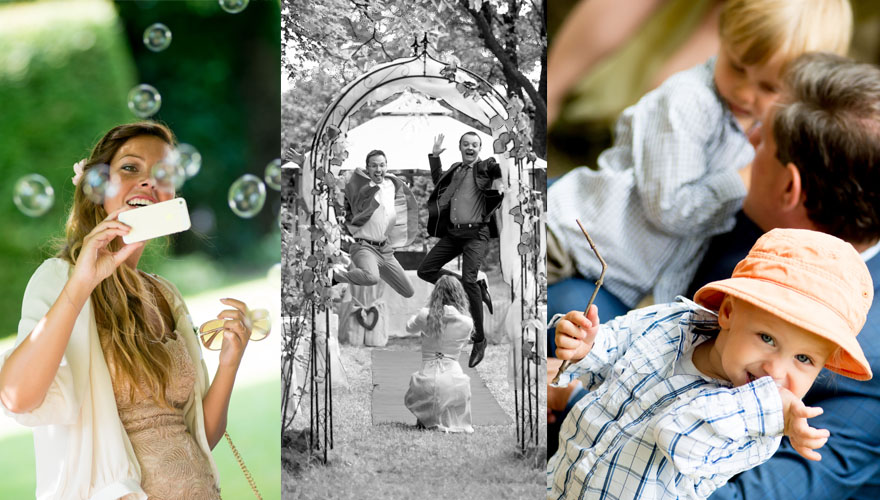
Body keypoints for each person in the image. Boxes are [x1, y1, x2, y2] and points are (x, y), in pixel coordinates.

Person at [546, 0, 853, 325]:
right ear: (724, 37)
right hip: (575, 241)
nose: (745, 93)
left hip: (619, 275)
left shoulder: (762, 124)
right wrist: (743, 179)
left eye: (768, 87)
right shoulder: (686, 102)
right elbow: (670, 210)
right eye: (736, 66)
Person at [0, 122, 256, 499]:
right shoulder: (60, 279)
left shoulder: (166, 295)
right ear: (97, 187)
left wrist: (231, 362)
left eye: (163, 174)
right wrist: (82, 284)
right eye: (130, 168)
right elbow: (16, 398)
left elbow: (201, 436)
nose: (148, 182)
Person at [675, 53, 880, 500]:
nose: (746, 138)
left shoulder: (871, 359)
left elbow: (749, 497)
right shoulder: (747, 222)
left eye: (762, 138)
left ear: (791, 188)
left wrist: (576, 403)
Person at [548, 228, 873, 499]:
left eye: (804, 359)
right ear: (730, 312)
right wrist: (587, 345)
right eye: (767, 339)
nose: (775, 371)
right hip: (561, 479)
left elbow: (676, 434)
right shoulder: (673, 323)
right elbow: (615, 345)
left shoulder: (755, 426)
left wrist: (769, 407)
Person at [417, 132, 502, 368]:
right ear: (460, 147)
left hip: (477, 234)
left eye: (474, 145)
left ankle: (480, 340)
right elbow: (439, 183)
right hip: (453, 233)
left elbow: (499, 170)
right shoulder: (455, 169)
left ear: (479, 148)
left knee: (469, 278)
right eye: (466, 144)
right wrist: (434, 157)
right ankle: (474, 285)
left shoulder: (486, 167)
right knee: (425, 270)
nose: (470, 148)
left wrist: (504, 156)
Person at [335, 149, 419, 298]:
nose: (378, 169)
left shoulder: (392, 184)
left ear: (387, 166)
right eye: (373, 166)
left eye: (382, 165)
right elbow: (333, 181)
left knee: (409, 291)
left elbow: (400, 200)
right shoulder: (359, 187)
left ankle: (374, 270)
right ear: (367, 168)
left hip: (384, 249)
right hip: (364, 246)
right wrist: (304, 163)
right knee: (372, 278)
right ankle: (336, 276)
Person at [403, 275, 474, 434]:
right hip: (455, 382)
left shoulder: (425, 315)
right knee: (450, 384)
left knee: (428, 384)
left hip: (424, 382)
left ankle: (425, 420)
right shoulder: (467, 322)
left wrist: (420, 316)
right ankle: (446, 419)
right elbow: (461, 345)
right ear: (459, 295)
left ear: (436, 294)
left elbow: (409, 328)